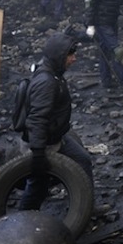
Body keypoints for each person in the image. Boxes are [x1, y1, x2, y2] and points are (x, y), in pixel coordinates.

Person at [18, 32, 94, 210]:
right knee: (38, 187)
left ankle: (87, 207)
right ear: (59, 56)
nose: (74, 59)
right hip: (43, 144)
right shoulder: (46, 82)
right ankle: (23, 220)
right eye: (70, 55)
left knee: (82, 160)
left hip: (56, 136)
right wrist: (38, 153)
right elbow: (37, 119)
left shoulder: (53, 72)